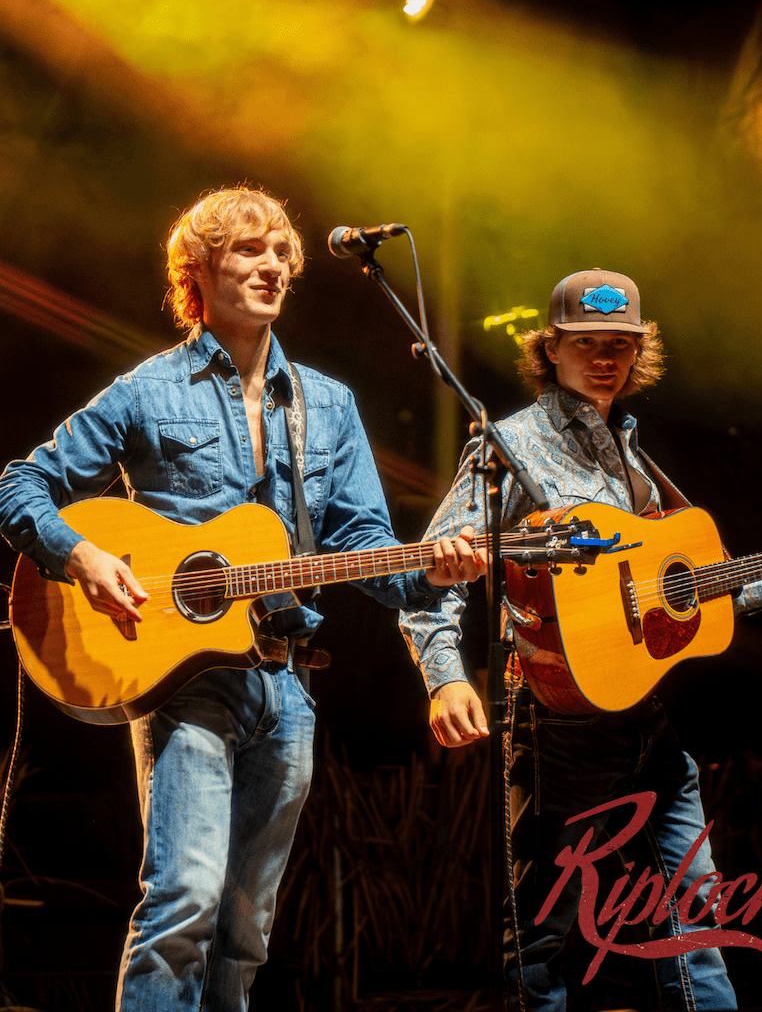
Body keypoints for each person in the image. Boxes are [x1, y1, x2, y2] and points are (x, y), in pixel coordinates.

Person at [0, 186, 483, 1011]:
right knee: (183, 900)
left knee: (247, 928)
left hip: (287, 679)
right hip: (185, 682)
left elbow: (362, 544)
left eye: (280, 255)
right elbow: (21, 486)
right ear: (199, 270)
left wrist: (429, 570)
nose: (271, 267)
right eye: (248, 251)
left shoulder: (327, 403)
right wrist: (82, 556)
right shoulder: (147, 390)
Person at [400, 268, 762, 1011]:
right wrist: (443, 675)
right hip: (556, 726)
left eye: (620, 345)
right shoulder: (510, 447)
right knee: (541, 939)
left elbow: (672, 601)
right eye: (586, 343)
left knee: (697, 917)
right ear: (549, 350)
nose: (604, 358)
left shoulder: (634, 460)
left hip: (645, 723)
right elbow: (430, 577)